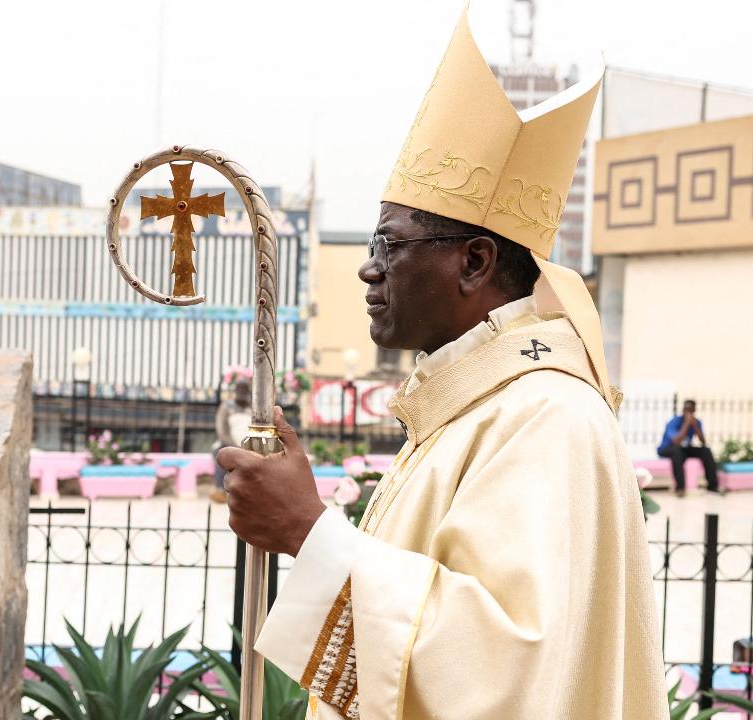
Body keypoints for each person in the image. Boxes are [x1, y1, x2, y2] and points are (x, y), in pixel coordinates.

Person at [216, 7, 665, 718]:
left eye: (389, 246)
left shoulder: (545, 416)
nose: (368, 271)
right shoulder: (477, 405)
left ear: (475, 262)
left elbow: (503, 672)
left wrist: (308, 529)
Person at [656, 399, 722, 497]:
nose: (688, 412)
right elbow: (676, 441)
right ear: (683, 409)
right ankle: (680, 488)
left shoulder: (697, 422)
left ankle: (713, 486)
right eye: (686, 409)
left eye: (691, 410)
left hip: (684, 449)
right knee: (677, 452)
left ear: (694, 410)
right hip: (667, 448)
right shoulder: (674, 421)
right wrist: (687, 423)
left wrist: (695, 426)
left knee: (706, 451)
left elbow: (703, 441)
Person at [210, 377, 251, 503]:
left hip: (248, 445)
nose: (242, 393)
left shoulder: (253, 408)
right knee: (221, 454)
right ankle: (219, 489)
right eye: (240, 389)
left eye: (245, 390)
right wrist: (234, 446)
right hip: (228, 443)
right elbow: (222, 431)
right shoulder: (226, 407)